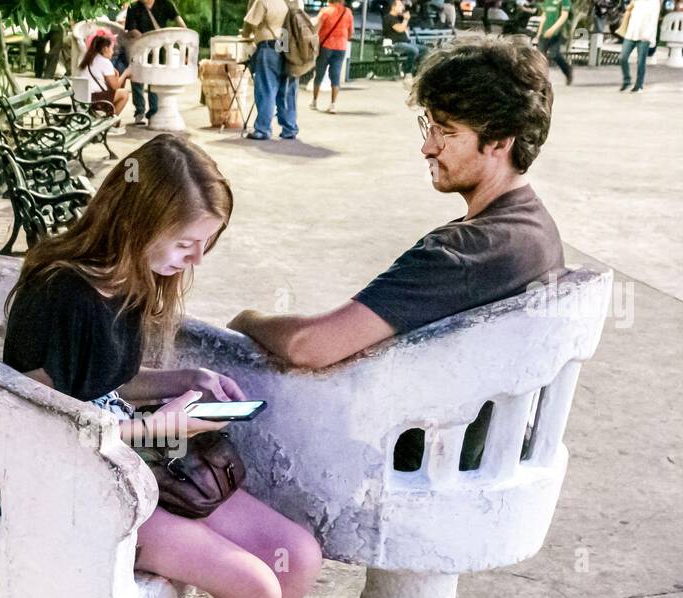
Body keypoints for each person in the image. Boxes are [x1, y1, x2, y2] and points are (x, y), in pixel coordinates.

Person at [1, 136, 323, 598]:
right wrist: (167, 427)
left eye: (205, 244)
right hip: (85, 495)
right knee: (257, 590)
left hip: (137, 472)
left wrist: (181, 381)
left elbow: (105, 386)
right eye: (186, 242)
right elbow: (51, 430)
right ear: (137, 217)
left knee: (297, 560)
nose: (195, 259)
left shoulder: (123, 281)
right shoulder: (60, 292)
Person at [228, 37, 564, 467]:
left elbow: (311, 346)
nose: (428, 146)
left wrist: (247, 320)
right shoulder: (538, 228)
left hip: (417, 459)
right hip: (485, 448)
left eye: (447, 131)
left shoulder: (463, 252)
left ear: (499, 141)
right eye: (429, 127)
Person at [240, 0, 298, 139]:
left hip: (269, 47)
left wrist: (246, 34)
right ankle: (290, 128)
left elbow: (248, 26)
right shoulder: (296, 1)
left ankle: (263, 130)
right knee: (288, 91)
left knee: (266, 89)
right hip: (290, 48)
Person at [124, 0, 187, 126]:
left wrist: (182, 36)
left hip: (161, 49)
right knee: (137, 79)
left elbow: (180, 23)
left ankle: (153, 112)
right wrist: (147, 41)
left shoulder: (166, 4)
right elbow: (131, 30)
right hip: (140, 47)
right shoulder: (133, 7)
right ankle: (139, 112)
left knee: (155, 79)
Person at [312, 0, 354, 112]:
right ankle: (333, 105)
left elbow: (316, 29)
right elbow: (351, 32)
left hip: (326, 46)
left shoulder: (325, 11)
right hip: (341, 47)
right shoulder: (347, 12)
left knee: (319, 74)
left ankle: (314, 102)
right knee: (336, 75)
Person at [80, 31, 132, 118]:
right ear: (105, 49)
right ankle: (111, 122)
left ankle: (108, 120)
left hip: (83, 97)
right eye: (112, 48)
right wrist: (125, 74)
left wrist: (116, 75)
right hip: (94, 99)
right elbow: (115, 87)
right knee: (124, 93)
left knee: (113, 94)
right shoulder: (104, 62)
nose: (112, 52)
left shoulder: (89, 59)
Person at [617, 0, 659, 91]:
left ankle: (639, 85)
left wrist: (648, 35)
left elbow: (653, 20)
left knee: (640, 61)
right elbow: (629, 12)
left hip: (644, 36)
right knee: (622, 58)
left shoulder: (654, 2)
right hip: (631, 33)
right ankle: (627, 81)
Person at [534, 0, 574, 84]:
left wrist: (552, 29)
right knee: (540, 56)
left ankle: (567, 70)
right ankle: (540, 80)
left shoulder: (564, 1)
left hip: (557, 33)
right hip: (544, 33)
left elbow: (564, 16)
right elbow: (544, 15)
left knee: (554, 54)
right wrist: (539, 32)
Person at [383, 0, 423, 78]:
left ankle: (418, 71)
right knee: (414, 50)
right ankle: (408, 71)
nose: (403, 8)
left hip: (405, 43)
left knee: (425, 49)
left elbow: (405, 31)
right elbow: (399, 29)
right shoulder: (388, 18)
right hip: (395, 44)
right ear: (394, 7)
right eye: (400, 6)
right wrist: (406, 20)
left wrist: (404, 20)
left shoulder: (398, 18)